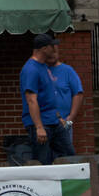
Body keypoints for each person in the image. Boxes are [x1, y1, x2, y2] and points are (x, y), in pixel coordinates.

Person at [19, 33, 72, 164]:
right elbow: (31, 100)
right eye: (51, 46)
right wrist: (39, 127)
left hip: (54, 121)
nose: (54, 48)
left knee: (69, 155)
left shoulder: (43, 66)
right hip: (42, 124)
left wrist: (59, 116)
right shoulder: (31, 69)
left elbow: (49, 95)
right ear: (44, 49)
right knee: (43, 161)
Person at [49, 52, 84, 154]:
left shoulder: (68, 71)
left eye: (55, 51)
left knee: (66, 157)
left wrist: (70, 118)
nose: (52, 54)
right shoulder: (42, 71)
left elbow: (78, 93)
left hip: (64, 125)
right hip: (46, 123)